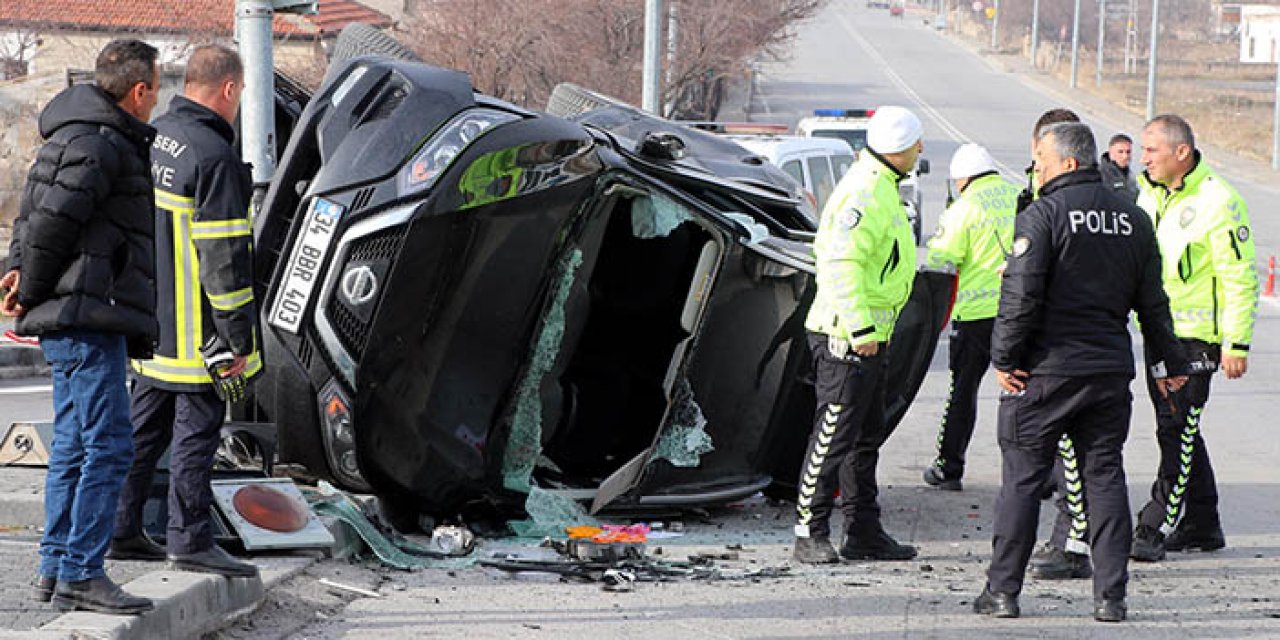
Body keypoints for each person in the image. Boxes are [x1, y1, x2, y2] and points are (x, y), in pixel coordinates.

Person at [974, 122, 1186, 623]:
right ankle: (1110, 597)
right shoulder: (1135, 219)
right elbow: (1153, 305)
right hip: (1109, 372)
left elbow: (1020, 297)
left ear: (1068, 163)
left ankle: (1002, 591)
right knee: (1105, 476)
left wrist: (1004, 358)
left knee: (1023, 481)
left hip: (1044, 373)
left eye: (1042, 161)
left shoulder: (1043, 216)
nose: (1037, 170)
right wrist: (1168, 362)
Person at [0, 39, 160, 614]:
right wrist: (30, 286)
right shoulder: (101, 142)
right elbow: (51, 223)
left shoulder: (72, 133)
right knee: (110, 445)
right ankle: (82, 571)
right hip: (89, 315)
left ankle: (55, 564)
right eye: (156, 88)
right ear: (140, 91)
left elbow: (29, 217)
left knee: (71, 443)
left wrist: (17, 272)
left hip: (80, 314)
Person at [110, 45, 261, 579]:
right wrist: (239, 339)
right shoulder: (213, 156)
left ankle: (120, 529)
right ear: (228, 89)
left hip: (151, 328)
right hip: (200, 335)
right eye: (240, 94)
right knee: (197, 435)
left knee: (141, 434)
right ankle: (189, 539)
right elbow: (224, 259)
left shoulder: (156, 140)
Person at [792, 106, 922, 564]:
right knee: (833, 435)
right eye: (916, 144)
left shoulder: (881, 186)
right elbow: (839, 263)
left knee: (865, 438)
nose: (920, 151)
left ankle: (863, 530)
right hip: (846, 336)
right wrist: (861, 327)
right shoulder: (866, 191)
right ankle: (809, 531)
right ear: (900, 149)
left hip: (869, 336)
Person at [1129, 114, 1258, 562]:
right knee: (1181, 429)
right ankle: (1203, 523)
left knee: (1176, 428)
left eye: (1151, 151)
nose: (1143, 158)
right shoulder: (1147, 193)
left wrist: (1237, 343)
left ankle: (1156, 523)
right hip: (1158, 333)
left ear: (1180, 152)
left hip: (1196, 340)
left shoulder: (1219, 200)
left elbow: (1240, 276)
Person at [1017, 108, 1095, 582]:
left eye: (1042, 158)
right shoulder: (1034, 195)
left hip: (1066, 344)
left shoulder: (1074, 205)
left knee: (1078, 455)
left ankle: (1073, 543)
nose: (1037, 168)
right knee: (1075, 454)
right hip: (1076, 343)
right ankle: (1075, 540)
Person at [921, 144, 1018, 491]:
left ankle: (949, 467)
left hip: (975, 315)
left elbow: (941, 260)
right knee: (1025, 392)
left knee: (962, 392)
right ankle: (1037, 472)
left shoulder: (964, 208)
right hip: (1019, 312)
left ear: (960, 179)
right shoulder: (1020, 195)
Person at [1100, 133, 1138, 201]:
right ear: (1110, 152)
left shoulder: (1132, 178)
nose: (1125, 156)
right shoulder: (1101, 174)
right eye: (1120, 152)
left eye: (1128, 152)